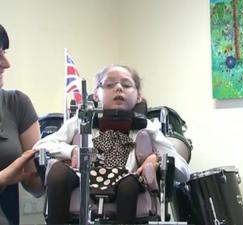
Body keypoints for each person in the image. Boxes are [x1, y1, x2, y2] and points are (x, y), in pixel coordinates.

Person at [34, 64, 190, 224]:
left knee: (128, 184)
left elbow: (184, 172)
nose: (118, 88)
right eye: (110, 84)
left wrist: (157, 159)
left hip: (128, 183)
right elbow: (40, 146)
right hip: (82, 178)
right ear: (95, 95)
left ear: (138, 97)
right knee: (57, 172)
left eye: (127, 84)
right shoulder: (80, 121)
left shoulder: (148, 127)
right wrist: (72, 151)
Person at [0, 24, 44, 225]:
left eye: (4, 53)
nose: (6, 63)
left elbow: (34, 182)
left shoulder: (17, 104)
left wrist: (53, 170)